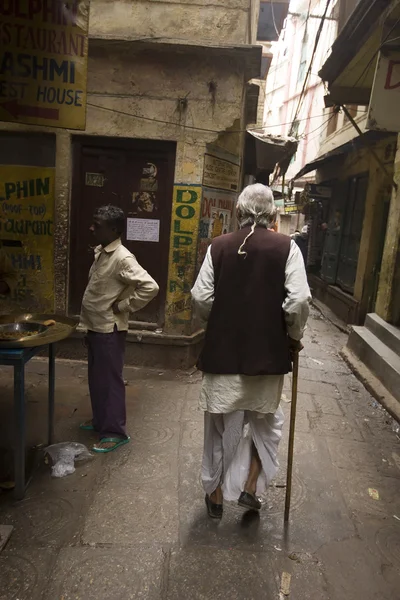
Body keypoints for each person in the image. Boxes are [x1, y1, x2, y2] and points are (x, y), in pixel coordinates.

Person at [191, 184, 310, 518]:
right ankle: (249, 487)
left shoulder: (219, 246)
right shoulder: (288, 247)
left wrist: (215, 322)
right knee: (266, 424)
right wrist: (293, 334)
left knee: (216, 427)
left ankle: (214, 495)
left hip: (221, 356)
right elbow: (299, 300)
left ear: (238, 214)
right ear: (273, 215)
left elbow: (200, 298)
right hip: (268, 357)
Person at [80, 205, 159, 453]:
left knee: (110, 381)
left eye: (98, 224)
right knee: (96, 378)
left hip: (108, 330)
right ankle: (100, 421)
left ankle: (114, 432)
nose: (92, 228)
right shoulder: (103, 252)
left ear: (113, 229)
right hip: (94, 326)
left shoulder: (122, 257)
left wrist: (124, 305)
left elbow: (150, 287)